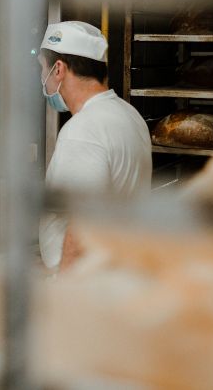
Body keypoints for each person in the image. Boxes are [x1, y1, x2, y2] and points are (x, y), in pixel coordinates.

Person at [37, 21, 151, 270]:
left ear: (58, 69)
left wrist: (67, 288)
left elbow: (81, 228)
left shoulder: (83, 130)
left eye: (42, 68)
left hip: (86, 280)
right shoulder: (129, 114)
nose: (41, 79)